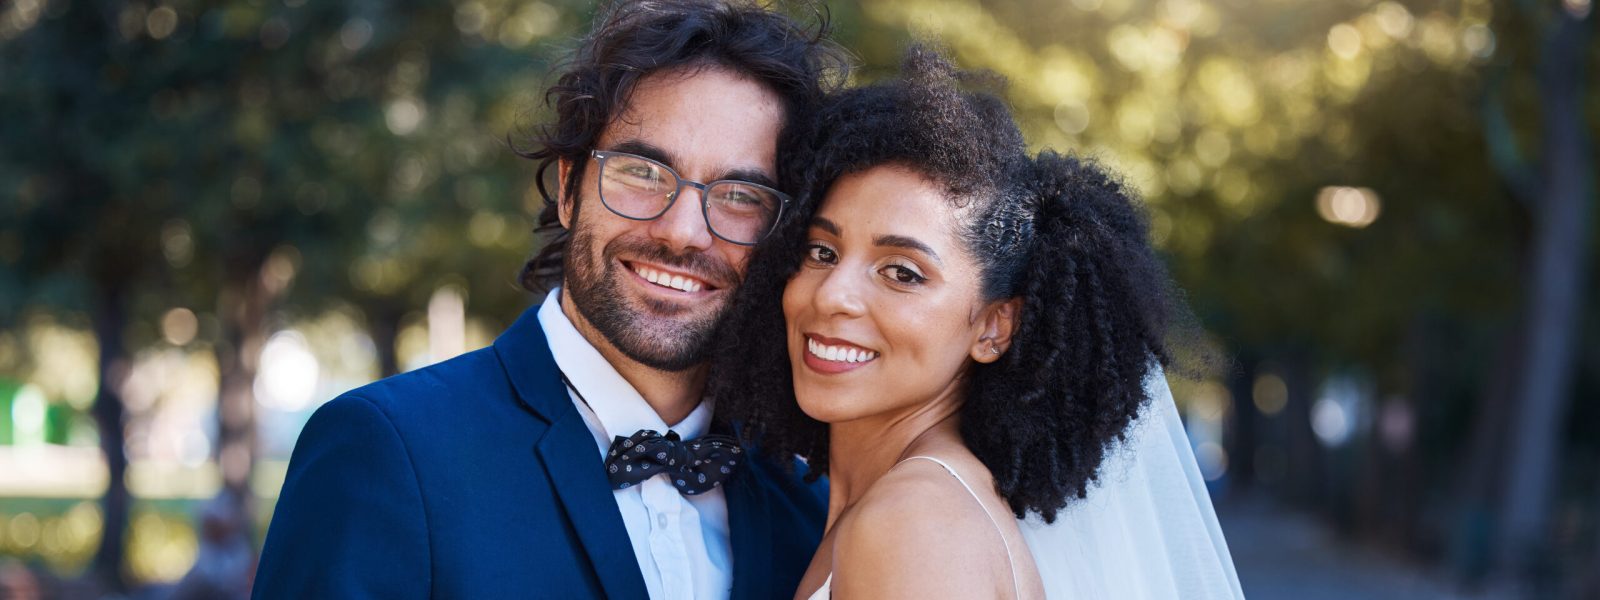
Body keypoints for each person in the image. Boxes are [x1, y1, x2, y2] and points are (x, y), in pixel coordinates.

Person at [254, 2, 848, 598]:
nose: (682, 232)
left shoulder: (808, 509)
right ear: (568, 189)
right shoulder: (386, 453)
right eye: (642, 173)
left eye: (740, 194)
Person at [710, 48, 1243, 599]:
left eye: (901, 272)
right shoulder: (906, 504)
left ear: (994, 327)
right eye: (821, 251)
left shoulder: (913, 524)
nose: (834, 295)